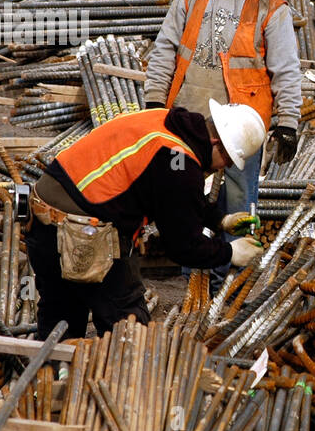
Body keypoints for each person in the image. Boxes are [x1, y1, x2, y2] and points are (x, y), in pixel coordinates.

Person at [25, 101, 268, 340]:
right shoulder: (179, 162)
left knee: (62, 315)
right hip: (82, 229)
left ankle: (54, 372)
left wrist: (221, 220)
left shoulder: (166, 122)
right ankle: (118, 377)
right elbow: (184, 247)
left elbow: (177, 197)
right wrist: (230, 253)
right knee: (127, 326)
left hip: (43, 211)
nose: (224, 168)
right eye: (227, 160)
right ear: (217, 144)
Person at [144, 0, 303, 243]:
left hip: (242, 129)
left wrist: (288, 122)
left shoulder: (271, 7)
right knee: (186, 204)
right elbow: (163, 52)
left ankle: (232, 282)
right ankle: (194, 280)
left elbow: (286, 69)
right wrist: (155, 104)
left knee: (238, 207)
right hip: (188, 123)